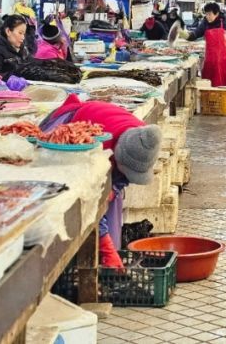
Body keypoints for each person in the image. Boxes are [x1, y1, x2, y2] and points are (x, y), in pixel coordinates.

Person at [41, 95, 162, 269]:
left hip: (101, 137)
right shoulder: (96, 150)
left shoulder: (142, 137)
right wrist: (106, 247)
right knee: (74, 205)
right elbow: (89, 199)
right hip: (66, 132)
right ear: (117, 157)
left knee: (111, 199)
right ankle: (75, 263)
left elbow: (125, 175)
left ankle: (108, 260)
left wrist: (114, 188)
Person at [185, 2, 226, 87]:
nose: (207, 17)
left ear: (216, 14)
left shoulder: (224, 21)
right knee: (211, 84)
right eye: (206, 14)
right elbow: (195, 34)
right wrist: (184, 34)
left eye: (209, 14)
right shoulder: (205, 23)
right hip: (211, 59)